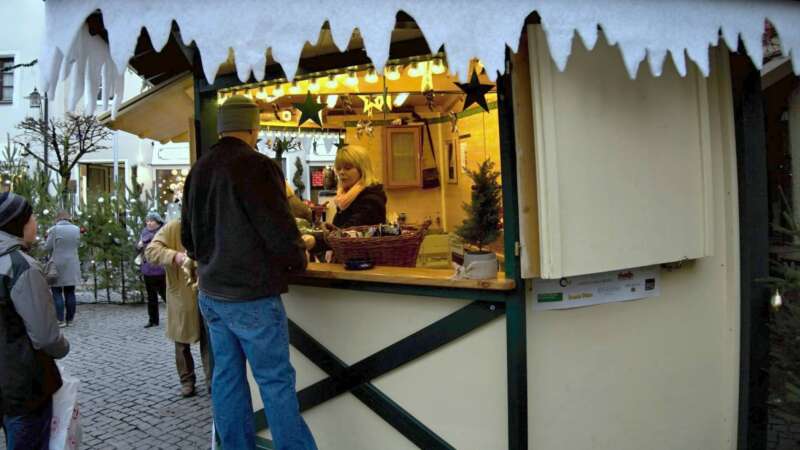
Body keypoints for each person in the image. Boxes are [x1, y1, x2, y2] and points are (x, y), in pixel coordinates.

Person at [181, 95, 316, 449]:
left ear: (223, 127)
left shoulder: (199, 169)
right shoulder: (257, 166)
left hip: (212, 293)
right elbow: (279, 231)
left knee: (227, 379)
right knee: (274, 382)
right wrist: (300, 256)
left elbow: (187, 239)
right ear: (254, 127)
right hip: (251, 294)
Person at [0, 192, 70, 449]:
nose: (36, 221)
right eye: (31, 217)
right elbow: (46, 336)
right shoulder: (21, 267)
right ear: (17, 223)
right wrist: (63, 347)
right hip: (25, 383)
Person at [145, 219, 211, 398]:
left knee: (210, 340)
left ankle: (212, 381)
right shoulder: (174, 227)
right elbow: (151, 251)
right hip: (181, 295)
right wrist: (176, 256)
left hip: (209, 292)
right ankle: (187, 380)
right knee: (181, 341)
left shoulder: (211, 221)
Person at [330, 144, 387, 228]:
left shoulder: (372, 199)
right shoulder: (343, 198)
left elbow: (347, 233)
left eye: (348, 168)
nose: (341, 172)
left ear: (362, 171)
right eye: (338, 168)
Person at [44, 210, 82, 327]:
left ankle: (60, 320)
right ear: (68, 219)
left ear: (58, 219)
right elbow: (78, 244)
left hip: (57, 264)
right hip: (72, 263)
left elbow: (48, 247)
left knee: (56, 292)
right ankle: (70, 320)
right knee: (70, 292)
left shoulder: (54, 229)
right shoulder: (76, 229)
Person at [137, 212, 166, 328]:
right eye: (147, 221)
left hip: (161, 269)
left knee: (166, 295)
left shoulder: (163, 232)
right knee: (151, 297)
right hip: (148, 269)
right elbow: (139, 248)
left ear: (158, 222)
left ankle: (177, 317)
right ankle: (153, 320)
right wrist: (138, 246)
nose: (148, 223)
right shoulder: (144, 232)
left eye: (151, 221)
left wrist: (144, 243)